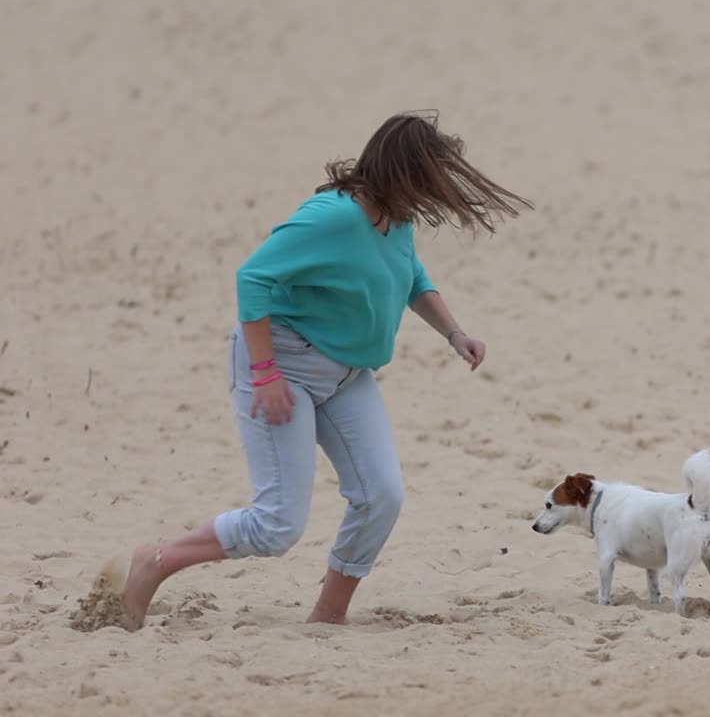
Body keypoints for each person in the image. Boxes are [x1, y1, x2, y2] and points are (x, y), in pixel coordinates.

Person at [119, 110, 532, 630]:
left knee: (381, 496)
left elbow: (410, 277)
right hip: (284, 366)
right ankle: (155, 560)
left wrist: (455, 332)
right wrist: (266, 374)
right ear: (402, 170)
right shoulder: (332, 216)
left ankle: (327, 616)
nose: (435, 189)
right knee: (277, 525)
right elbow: (253, 278)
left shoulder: (397, 218)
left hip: (346, 375)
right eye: (429, 175)